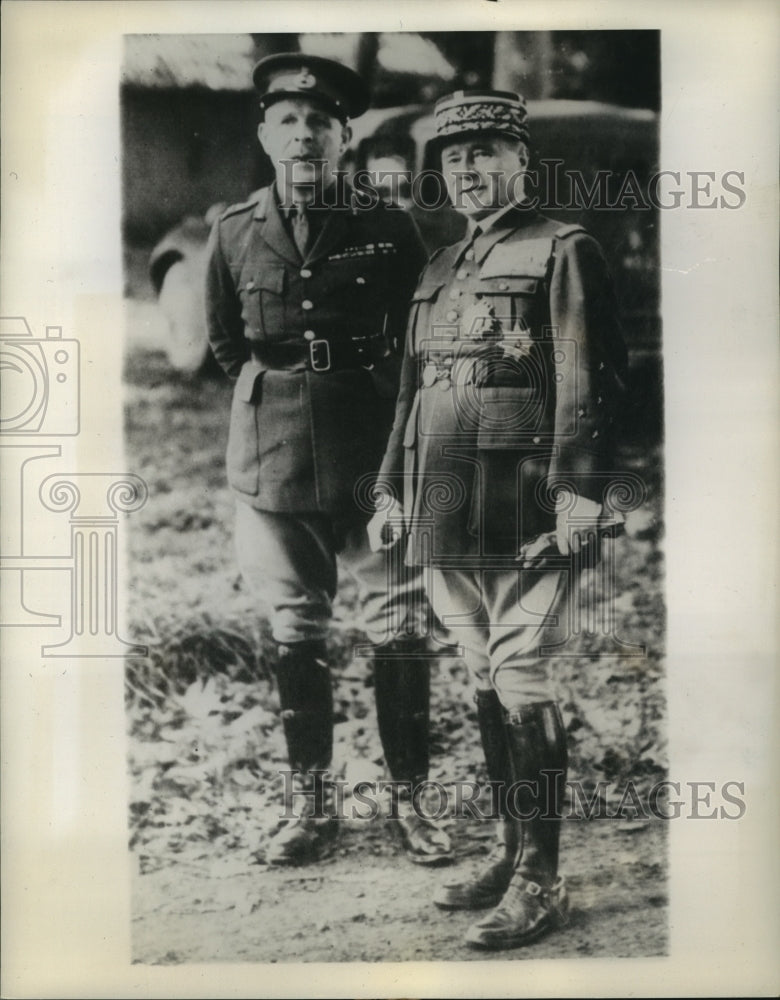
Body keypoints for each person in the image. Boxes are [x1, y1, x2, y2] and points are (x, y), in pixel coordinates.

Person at [369, 89, 627, 949]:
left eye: (486, 152)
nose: (469, 170)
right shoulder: (438, 268)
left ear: (521, 160)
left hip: (526, 513)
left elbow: (589, 379)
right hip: (444, 509)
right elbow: (412, 396)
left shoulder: (562, 250)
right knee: (483, 676)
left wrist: (582, 495)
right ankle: (512, 849)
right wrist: (388, 491)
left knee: (524, 681)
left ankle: (544, 880)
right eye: (454, 157)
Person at [205, 53, 452, 867]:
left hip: (372, 451)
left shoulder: (386, 226)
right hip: (271, 456)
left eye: (320, 123)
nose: (303, 134)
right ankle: (312, 805)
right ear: (265, 135)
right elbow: (224, 341)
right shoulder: (233, 230)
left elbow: (422, 335)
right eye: (287, 121)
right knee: (293, 627)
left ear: (343, 138)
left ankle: (410, 801)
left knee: (399, 625)